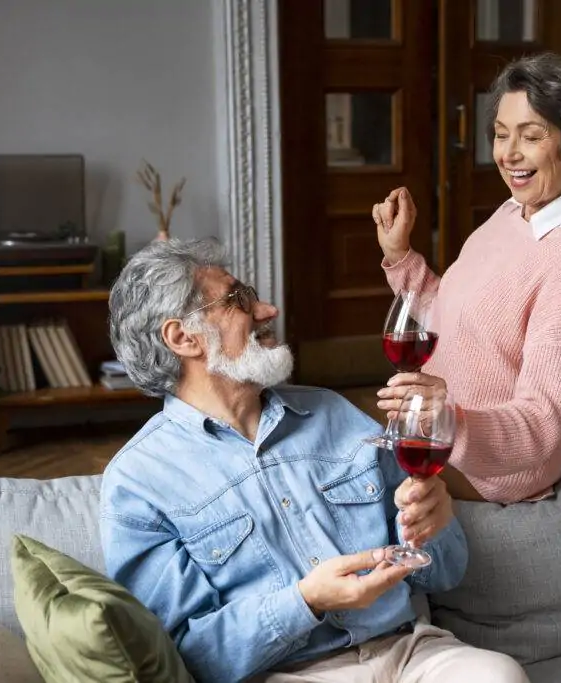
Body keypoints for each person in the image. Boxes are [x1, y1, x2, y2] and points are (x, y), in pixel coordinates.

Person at [100, 237, 529, 683]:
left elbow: (445, 572)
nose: (268, 311)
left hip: (406, 650)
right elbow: (186, 654)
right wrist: (306, 602)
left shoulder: (335, 414)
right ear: (183, 337)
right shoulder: (137, 482)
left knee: (499, 674)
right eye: (239, 300)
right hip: (286, 673)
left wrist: (435, 528)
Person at [372, 52, 561, 505]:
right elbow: (452, 315)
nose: (508, 154)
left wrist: (450, 420)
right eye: (501, 134)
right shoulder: (512, 213)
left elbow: (541, 424)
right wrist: (400, 255)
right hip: (438, 431)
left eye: (531, 136)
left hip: (498, 469)